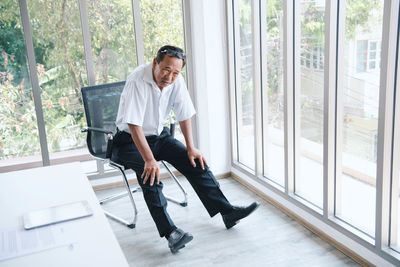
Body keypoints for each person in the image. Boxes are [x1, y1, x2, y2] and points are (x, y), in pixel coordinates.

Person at [112, 45, 259, 254]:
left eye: (175, 72)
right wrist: (149, 159)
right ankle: (170, 233)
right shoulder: (137, 80)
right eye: (165, 69)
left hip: (159, 136)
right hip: (128, 140)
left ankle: (227, 212)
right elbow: (134, 125)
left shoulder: (176, 80)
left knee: (196, 161)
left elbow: (184, 113)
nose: (169, 76)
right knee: (151, 176)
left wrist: (191, 147)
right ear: (155, 63)